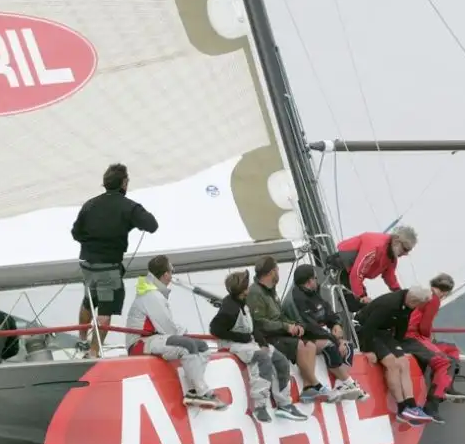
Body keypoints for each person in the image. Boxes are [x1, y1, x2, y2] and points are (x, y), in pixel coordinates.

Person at [71, 163, 159, 358]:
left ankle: (82, 339)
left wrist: (92, 243)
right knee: (105, 310)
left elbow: (76, 233)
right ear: (124, 182)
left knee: (89, 300)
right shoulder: (128, 207)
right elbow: (152, 225)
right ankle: (93, 353)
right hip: (109, 268)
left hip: (87, 263)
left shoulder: (90, 204)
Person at [125, 255, 223, 409]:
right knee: (187, 346)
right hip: (140, 343)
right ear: (165, 275)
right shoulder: (151, 295)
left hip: (154, 339)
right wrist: (185, 333)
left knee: (203, 347)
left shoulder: (152, 291)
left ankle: (193, 391)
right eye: (171, 271)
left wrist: (184, 335)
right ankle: (202, 392)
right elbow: (168, 328)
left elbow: (165, 328)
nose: (172, 275)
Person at [210, 269, 307, 423]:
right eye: (246, 287)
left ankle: (284, 404)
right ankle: (259, 406)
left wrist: (262, 343)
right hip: (233, 344)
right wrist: (243, 337)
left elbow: (253, 326)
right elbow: (215, 329)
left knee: (280, 359)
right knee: (262, 359)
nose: (248, 290)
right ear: (241, 290)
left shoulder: (243, 303)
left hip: (248, 341)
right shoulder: (229, 309)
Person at [246, 256, 335, 403]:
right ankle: (317, 384)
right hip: (267, 337)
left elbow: (280, 315)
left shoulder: (271, 291)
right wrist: (286, 327)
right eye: (277, 269)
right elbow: (260, 323)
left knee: (310, 344)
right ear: (271, 272)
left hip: (280, 333)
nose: (279, 272)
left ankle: (308, 389)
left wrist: (295, 325)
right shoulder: (255, 292)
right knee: (300, 345)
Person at [355, 285, 435, 424]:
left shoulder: (409, 303)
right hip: (367, 330)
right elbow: (368, 327)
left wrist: (397, 344)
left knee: (403, 362)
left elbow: (402, 324)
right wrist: (368, 350)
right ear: (414, 300)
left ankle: (411, 405)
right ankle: (402, 408)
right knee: (392, 363)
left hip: (384, 332)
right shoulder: (389, 304)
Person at [286, 264, 366, 401]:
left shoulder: (313, 292)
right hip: (303, 337)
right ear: (309, 281)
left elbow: (327, 311)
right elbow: (310, 327)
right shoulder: (297, 299)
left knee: (347, 346)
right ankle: (348, 381)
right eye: (315, 278)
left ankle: (341, 383)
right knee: (330, 345)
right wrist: (335, 340)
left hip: (316, 334)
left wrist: (336, 324)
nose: (317, 281)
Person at [400, 273, 465, 423]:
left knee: (451, 349)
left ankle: (447, 385)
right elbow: (424, 326)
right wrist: (429, 339)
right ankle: (432, 404)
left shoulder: (424, 293)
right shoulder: (433, 299)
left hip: (409, 335)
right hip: (411, 337)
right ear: (446, 292)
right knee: (445, 361)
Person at [333, 225, 418, 312]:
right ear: (396, 240)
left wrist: (401, 294)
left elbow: (389, 277)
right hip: (341, 264)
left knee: (362, 302)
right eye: (405, 249)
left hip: (351, 272)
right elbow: (357, 272)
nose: (405, 254)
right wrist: (361, 296)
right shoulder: (376, 246)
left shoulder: (391, 257)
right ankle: (335, 315)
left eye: (408, 251)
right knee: (360, 303)